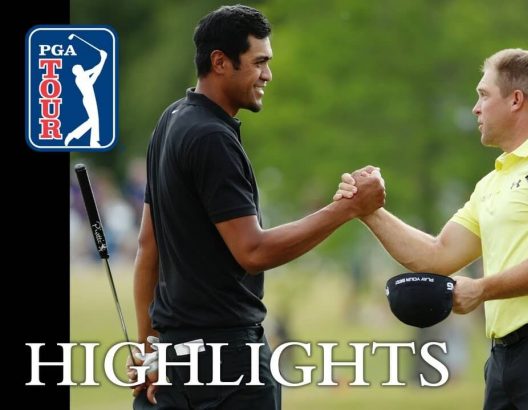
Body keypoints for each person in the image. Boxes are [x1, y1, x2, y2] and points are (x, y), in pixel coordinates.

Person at [128, 5, 385, 409]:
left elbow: (148, 246)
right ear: (220, 62)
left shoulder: (171, 119)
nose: (268, 74)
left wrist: (148, 350)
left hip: (175, 361)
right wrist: (347, 209)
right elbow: (252, 251)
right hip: (228, 364)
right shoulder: (212, 137)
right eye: (259, 62)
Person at [335, 48, 528, 409]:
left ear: (516, 100)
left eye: (483, 95)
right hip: (504, 358)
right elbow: (436, 256)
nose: (475, 107)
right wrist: (368, 210)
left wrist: (481, 289)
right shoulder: (492, 183)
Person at [64, 47, 107, 147]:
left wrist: (103, 60)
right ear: (77, 71)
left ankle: (92, 141)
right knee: (93, 120)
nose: (82, 69)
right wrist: (103, 59)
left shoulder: (83, 76)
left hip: (91, 98)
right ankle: (74, 135)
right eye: (80, 68)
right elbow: (95, 71)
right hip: (88, 99)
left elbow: (96, 74)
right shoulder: (80, 78)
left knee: (94, 120)